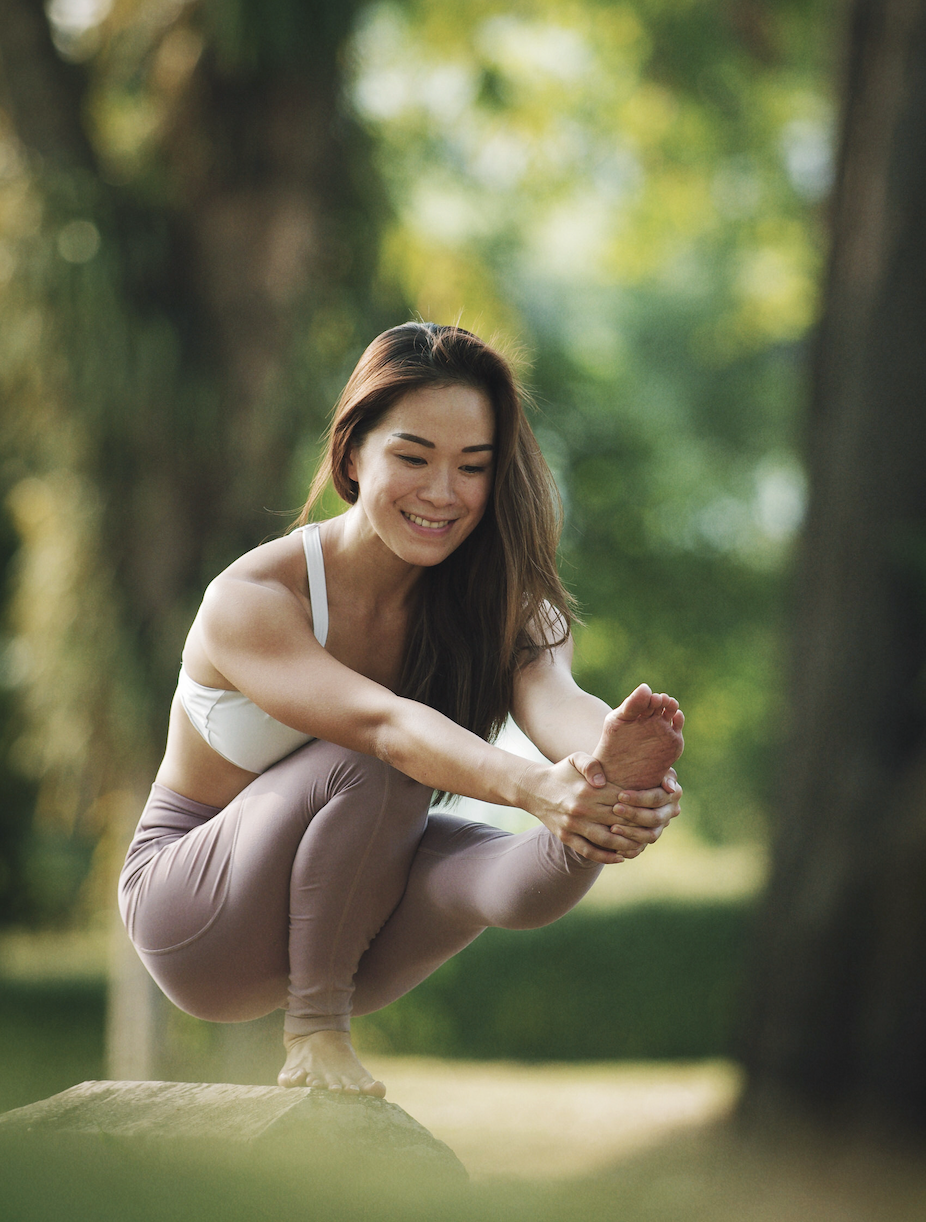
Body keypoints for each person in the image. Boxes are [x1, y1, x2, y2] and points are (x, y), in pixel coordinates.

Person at [118, 322, 685, 1098]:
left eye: (472, 467)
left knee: (514, 869)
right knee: (381, 757)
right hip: (196, 915)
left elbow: (557, 700)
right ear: (354, 455)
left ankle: (588, 835)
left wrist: (608, 782)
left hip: (350, 923)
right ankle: (315, 1032)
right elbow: (384, 726)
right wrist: (536, 788)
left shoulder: (503, 604)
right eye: (413, 458)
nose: (442, 493)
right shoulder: (254, 599)